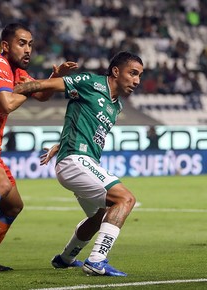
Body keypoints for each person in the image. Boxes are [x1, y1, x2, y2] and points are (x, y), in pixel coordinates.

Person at [15, 51, 144, 276]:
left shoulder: (117, 106)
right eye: (133, 73)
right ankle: (96, 260)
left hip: (78, 160)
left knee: (98, 218)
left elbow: (81, 123)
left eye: (139, 76)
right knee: (126, 199)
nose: (137, 81)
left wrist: (59, 144)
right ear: (116, 71)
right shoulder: (90, 82)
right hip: (75, 161)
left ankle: (65, 258)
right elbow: (42, 86)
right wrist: (9, 92)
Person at [0, 22, 78, 271]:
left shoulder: (18, 72)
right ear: (5, 46)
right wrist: (28, 87)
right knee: (1, 186)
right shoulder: (0, 64)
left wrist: (54, 78)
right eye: (21, 43)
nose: (28, 49)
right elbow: (7, 104)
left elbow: (42, 95)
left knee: (13, 205)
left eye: (30, 44)